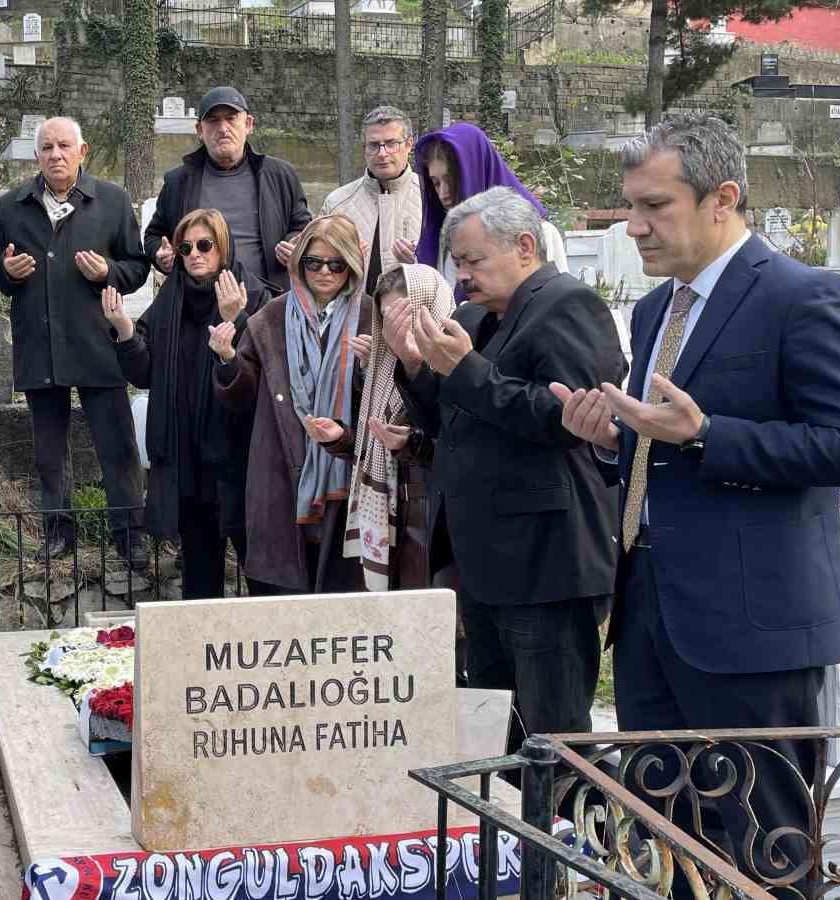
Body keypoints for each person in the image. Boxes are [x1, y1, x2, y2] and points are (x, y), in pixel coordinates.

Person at [552, 113, 840, 891]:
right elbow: (660, 451)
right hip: (650, 626)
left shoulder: (803, 297)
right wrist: (611, 441)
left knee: (763, 854)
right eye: (629, 205)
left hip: (752, 633)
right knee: (668, 844)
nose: (633, 226)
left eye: (654, 206)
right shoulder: (653, 310)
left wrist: (708, 432)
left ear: (722, 198)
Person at [386, 186, 625, 753]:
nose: (462, 275)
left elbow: (567, 418)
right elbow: (457, 418)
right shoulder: (473, 315)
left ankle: (565, 840)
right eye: (457, 263)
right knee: (495, 732)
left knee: (553, 741)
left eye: (473, 260)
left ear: (523, 245)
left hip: (546, 561)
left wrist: (465, 370)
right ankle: (506, 839)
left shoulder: (568, 304)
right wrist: (418, 370)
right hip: (483, 561)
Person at [0, 117, 151, 568]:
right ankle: (59, 530)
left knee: (117, 447)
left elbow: (137, 267)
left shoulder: (112, 202)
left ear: (83, 151)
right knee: (49, 451)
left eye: (63, 146)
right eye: (46, 147)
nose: (55, 154)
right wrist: (6, 273)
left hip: (96, 340)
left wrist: (107, 274)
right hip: (40, 342)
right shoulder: (13, 205)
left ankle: (130, 533)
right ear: (36, 155)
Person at [103, 209, 272, 598]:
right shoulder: (170, 299)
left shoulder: (252, 293)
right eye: (186, 247)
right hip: (189, 461)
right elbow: (145, 373)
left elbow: (265, 367)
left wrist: (238, 318)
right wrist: (125, 330)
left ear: (222, 248)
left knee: (261, 570)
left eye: (204, 245)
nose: (195, 254)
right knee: (200, 577)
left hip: (239, 459)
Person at [211, 214, 370, 594]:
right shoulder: (271, 317)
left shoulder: (372, 315)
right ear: (299, 263)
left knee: (343, 599)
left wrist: (367, 369)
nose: (325, 272)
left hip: (348, 469)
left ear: (351, 265)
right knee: (284, 601)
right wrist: (229, 357)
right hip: (281, 469)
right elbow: (243, 397)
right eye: (314, 262)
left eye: (337, 263)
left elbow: (390, 399)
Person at [328, 263, 454, 592]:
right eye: (388, 316)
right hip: (394, 533)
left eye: (406, 313)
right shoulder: (382, 370)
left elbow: (452, 444)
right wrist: (340, 441)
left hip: (438, 531)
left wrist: (411, 444)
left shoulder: (458, 361)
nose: (398, 326)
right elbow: (372, 450)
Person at [145, 87, 312, 293]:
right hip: (198, 304)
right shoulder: (179, 182)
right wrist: (162, 256)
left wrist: (294, 246)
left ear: (248, 124)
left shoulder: (280, 176)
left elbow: (304, 228)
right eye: (213, 121)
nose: (223, 128)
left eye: (231, 118)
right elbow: (154, 235)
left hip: (268, 300)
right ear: (199, 130)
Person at [403, 123, 567, 293]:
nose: (443, 193)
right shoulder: (443, 239)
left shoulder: (540, 233)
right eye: (436, 183)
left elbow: (554, 303)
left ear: (475, 172)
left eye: (451, 181)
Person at [319, 105, 422, 296]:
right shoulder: (338, 203)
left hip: (416, 317)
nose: (382, 153)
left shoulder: (430, 199)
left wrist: (418, 264)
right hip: (352, 318)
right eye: (374, 145)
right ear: (364, 149)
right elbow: (318, 268)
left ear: (409, 145)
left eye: (391, 143)